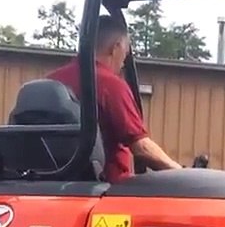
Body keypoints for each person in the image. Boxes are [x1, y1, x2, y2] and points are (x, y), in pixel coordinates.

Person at [46, 15, 183, 183]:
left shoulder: (51, 81)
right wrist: (183, 174)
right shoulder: (109, 85)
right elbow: (141, 148)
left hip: (56, 186)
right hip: (108, 191)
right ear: (115, 48)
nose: (124, 62)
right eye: (125, 54)